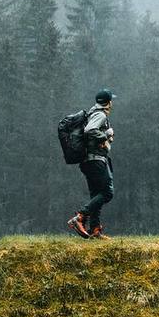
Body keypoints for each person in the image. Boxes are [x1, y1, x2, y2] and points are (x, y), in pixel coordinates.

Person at [68, 89, 116, 239]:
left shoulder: (92, 113)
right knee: (107, 193)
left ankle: (95, 230)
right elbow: (90, 130)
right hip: (95, 160)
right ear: (108, 103)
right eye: (111, 100)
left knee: (96, 195)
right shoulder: (100, 114)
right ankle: (80, 217)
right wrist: (105, 137)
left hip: (88, 161)